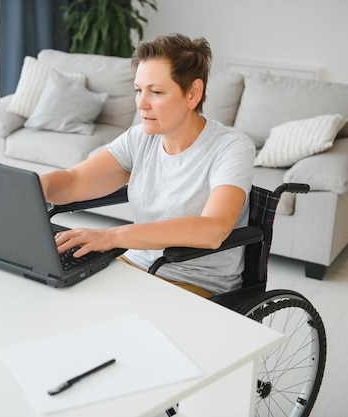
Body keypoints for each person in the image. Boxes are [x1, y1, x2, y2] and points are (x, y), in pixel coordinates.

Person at [40, 33, 255, 298]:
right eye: (138, 90)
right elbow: (74, 181)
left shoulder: (231, 147)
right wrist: (36, 185)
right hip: (133, 265)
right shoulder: (140, 137)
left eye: (156, 92)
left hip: (193, 284)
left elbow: (213, 229)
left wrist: (112, 236)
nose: (141, 104)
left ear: (193, 93)